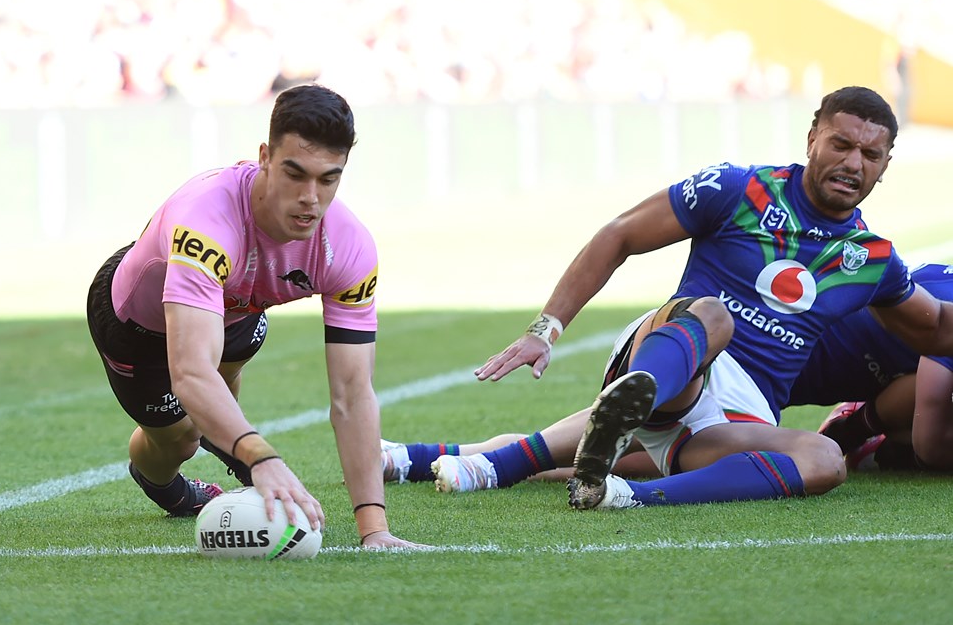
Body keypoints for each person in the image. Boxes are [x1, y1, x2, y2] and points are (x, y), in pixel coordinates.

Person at [427, 86, 953, 509]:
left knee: (824, 458)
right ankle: (629, 404)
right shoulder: (738, 189)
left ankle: (622, 495)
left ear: (885, 165)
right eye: (841, 145)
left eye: (870, 154)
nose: (854, 163)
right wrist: (545, 330)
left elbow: (936, 327)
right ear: (812, 137)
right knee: (714, 314)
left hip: (733, 419)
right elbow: (620, 235)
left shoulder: (872, 259)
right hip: (679, 356)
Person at [85, 83, 421, 548]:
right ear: (265, 157)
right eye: (294, 174)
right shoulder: (206, 220)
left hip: (238, 312)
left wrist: (374, 529)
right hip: (138, 324)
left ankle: (226, 436)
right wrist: (261, 458)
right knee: (182, 438)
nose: (310, 198)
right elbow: (190, 373)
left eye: (328, 179)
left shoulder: (349, 247)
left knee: (219, 394)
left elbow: (353, 393)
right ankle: (167, 483)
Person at [381, 262, 953, 484]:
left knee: (590, 457)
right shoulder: (741, 191)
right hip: (708, 358)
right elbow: (931, 433)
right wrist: (545, 327)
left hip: (752, 407)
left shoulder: (911, 275)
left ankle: (413, 458)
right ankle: (484, 464)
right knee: (703, 327)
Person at [789, 261, 953, 472]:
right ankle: (868, 434)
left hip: (799, 332)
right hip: (785, 355)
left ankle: (864, 430)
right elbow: (930, 447)